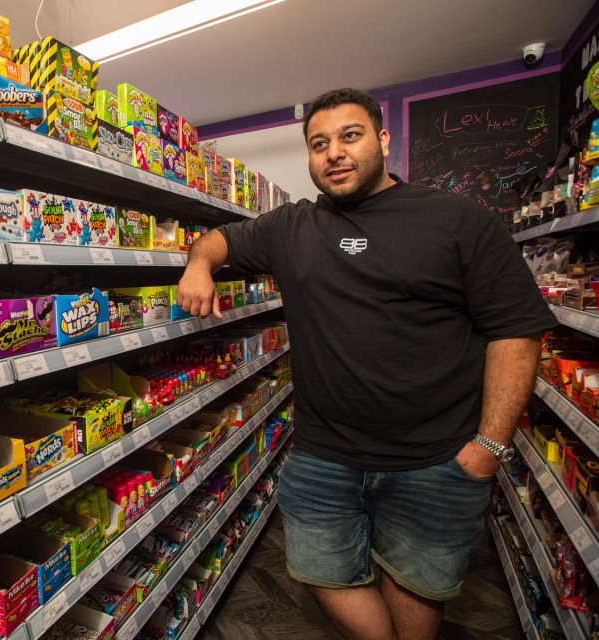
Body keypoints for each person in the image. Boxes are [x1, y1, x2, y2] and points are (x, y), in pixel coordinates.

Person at [175, 88, 556, 640]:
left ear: (381, 140)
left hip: (435, 458)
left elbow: (516, 332)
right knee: (319, 571)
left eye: (349, 136)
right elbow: (217, 239)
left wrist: (487, 449)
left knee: (419, 583)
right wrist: (198, 266)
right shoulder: (290, 226)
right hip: (322, 455)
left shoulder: (457, 219)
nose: (334, 153)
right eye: (318, 143)